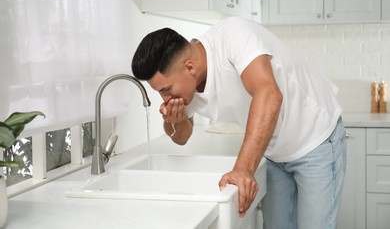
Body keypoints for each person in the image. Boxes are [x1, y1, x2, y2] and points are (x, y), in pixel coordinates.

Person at [131, 16, 347, 229]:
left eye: (165, 89)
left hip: (313, 137)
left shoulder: (234, 36)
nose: (165, 98)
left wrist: (243, 169)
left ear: (190, 67)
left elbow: (269, 94)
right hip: (271, 152)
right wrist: (174, 122)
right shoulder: (184, 84)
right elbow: (182, 137)